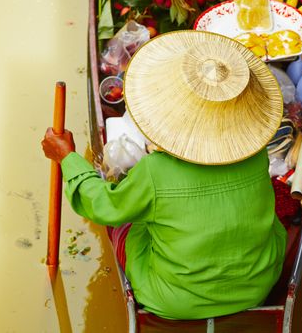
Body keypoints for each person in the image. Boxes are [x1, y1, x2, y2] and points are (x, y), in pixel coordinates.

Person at [42, 30, 287, 320]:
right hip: (256, 287)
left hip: (174, 299)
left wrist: (68, 158)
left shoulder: (155, 171)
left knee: (123, 224)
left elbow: (103, 207)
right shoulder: (255, 154)